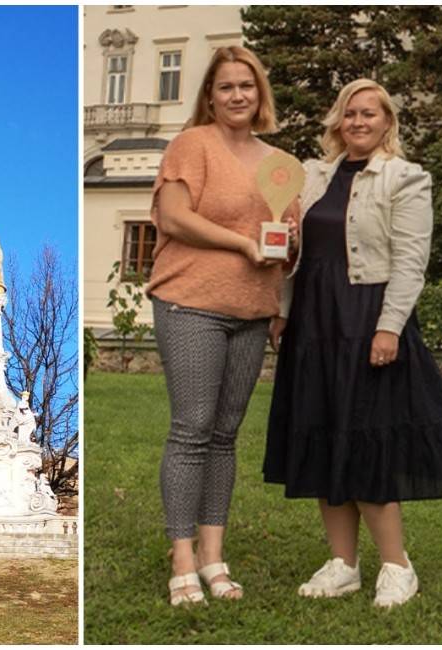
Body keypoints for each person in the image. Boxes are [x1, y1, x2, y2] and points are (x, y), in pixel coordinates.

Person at [264, 79, 442, 608]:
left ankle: (396, 565)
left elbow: (411, 261)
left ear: (387, 123)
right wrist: (282, 310)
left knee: (365, 438)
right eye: (349, 114)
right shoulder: (310, 176)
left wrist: (389, 327)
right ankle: (342, 564)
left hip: (367, 317)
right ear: (338, 121)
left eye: (369, 114)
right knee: (319, 433)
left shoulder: (406, 178)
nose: (358, 122)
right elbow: (294, 251)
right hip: (314, 321)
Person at [147, 45, 296, 607]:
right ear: (210, 94)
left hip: (251, 310)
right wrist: (242, 241)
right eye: (227, 86)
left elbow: (287, 240)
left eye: (247, 86)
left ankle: (213, 554)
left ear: (261, 95)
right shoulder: (193, 145)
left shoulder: (280, 164)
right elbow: (174, 216)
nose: (238, 95)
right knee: (192, 427)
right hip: (191, 301)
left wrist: (289, 246)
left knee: (225, 436)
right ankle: (181, 556)